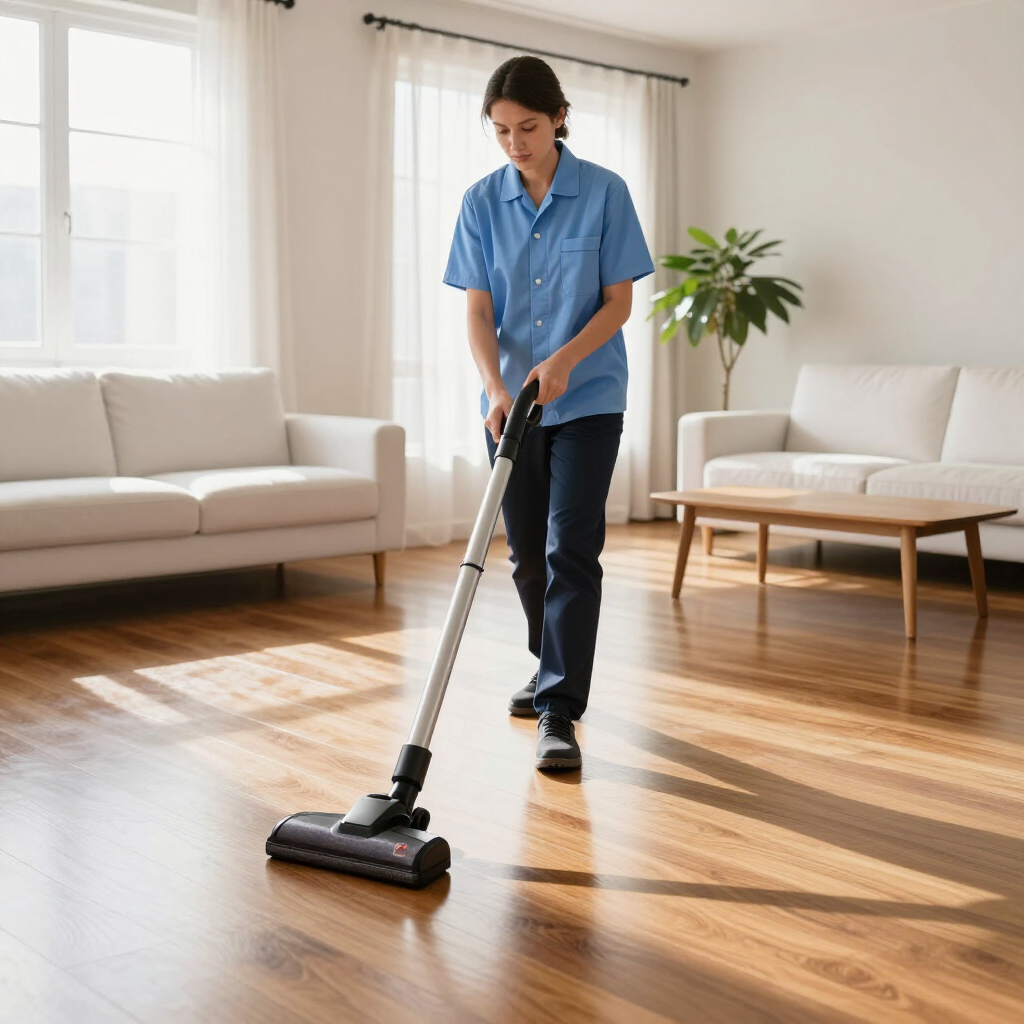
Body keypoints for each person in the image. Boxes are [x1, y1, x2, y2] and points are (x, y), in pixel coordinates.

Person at [443, 56, 654, 771]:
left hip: (588, 398)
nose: (514, 143)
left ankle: (559, 708)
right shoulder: (480, 202)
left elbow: (619, 301)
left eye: (527, 127)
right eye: (500, 130)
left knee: (571, 551)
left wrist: (563, 361)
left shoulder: (603, 192)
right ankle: (546, 662)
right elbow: (477, 306)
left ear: (559, 115)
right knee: (528, 559)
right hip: (510, 410)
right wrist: (495, 386)